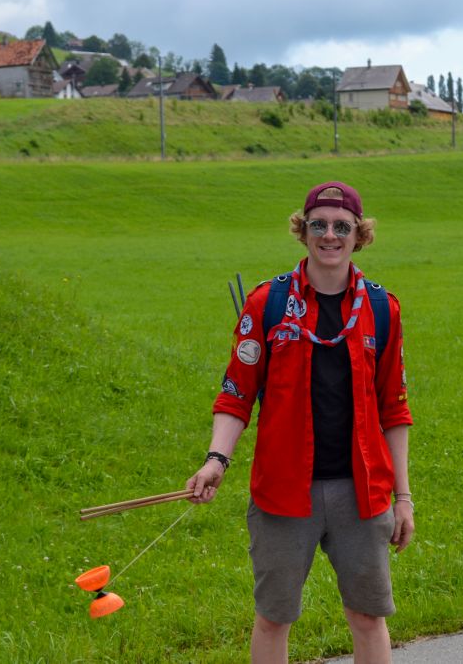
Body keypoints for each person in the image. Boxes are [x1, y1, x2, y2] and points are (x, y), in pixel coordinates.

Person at [187, 181, 413, 663]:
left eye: (341, 226)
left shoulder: (381, 308)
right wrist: (214, 461)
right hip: (284, 494)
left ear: (359, 235)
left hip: (363, 491)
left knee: (368, 617)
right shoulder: (267, 304)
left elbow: (394, 408)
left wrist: (404, 497)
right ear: (303, 230)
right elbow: (235, 395)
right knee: (274, 618)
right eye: (318, 225)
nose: (329, 235)